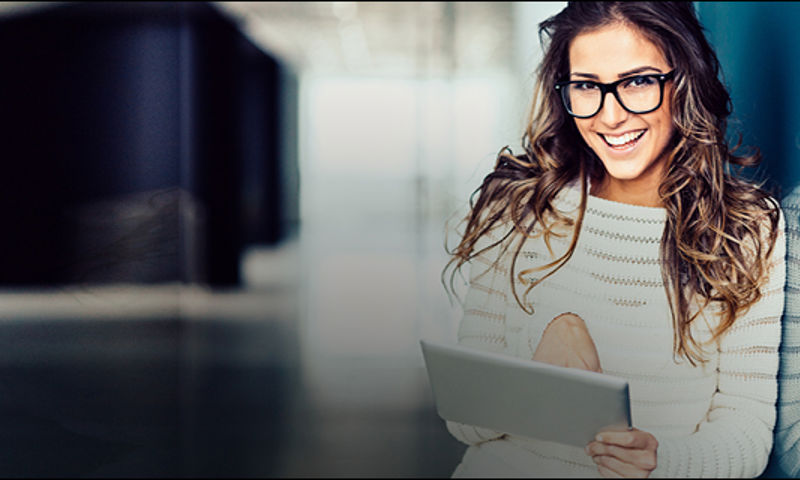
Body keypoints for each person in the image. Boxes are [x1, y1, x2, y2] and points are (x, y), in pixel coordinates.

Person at [442, 2, 785, 478]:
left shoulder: (746, 229)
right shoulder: (519, 205)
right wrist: (542, 369)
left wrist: (659, 462)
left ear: (682, 82)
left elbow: (746, 436)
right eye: (586, 87)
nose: (611, 116)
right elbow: (464, 420)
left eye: (638, 82)